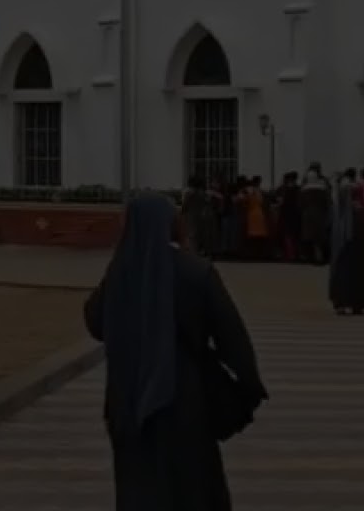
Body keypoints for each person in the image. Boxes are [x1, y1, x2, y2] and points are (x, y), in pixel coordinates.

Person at [84, 194, 267, 511]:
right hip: (185, 401)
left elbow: (95, 322)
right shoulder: (196, 272)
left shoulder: (120, 275)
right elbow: (233, 341)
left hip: (128, 401)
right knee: (192, 491)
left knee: (139, 490)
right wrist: (243, 395)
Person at [329, 168, 364, 315]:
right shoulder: (357, 205)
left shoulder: (339, 196)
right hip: (354, 241)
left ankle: (342, 303)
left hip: (344, 242)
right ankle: (356, 304)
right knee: (356, 272)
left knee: (343, 271)